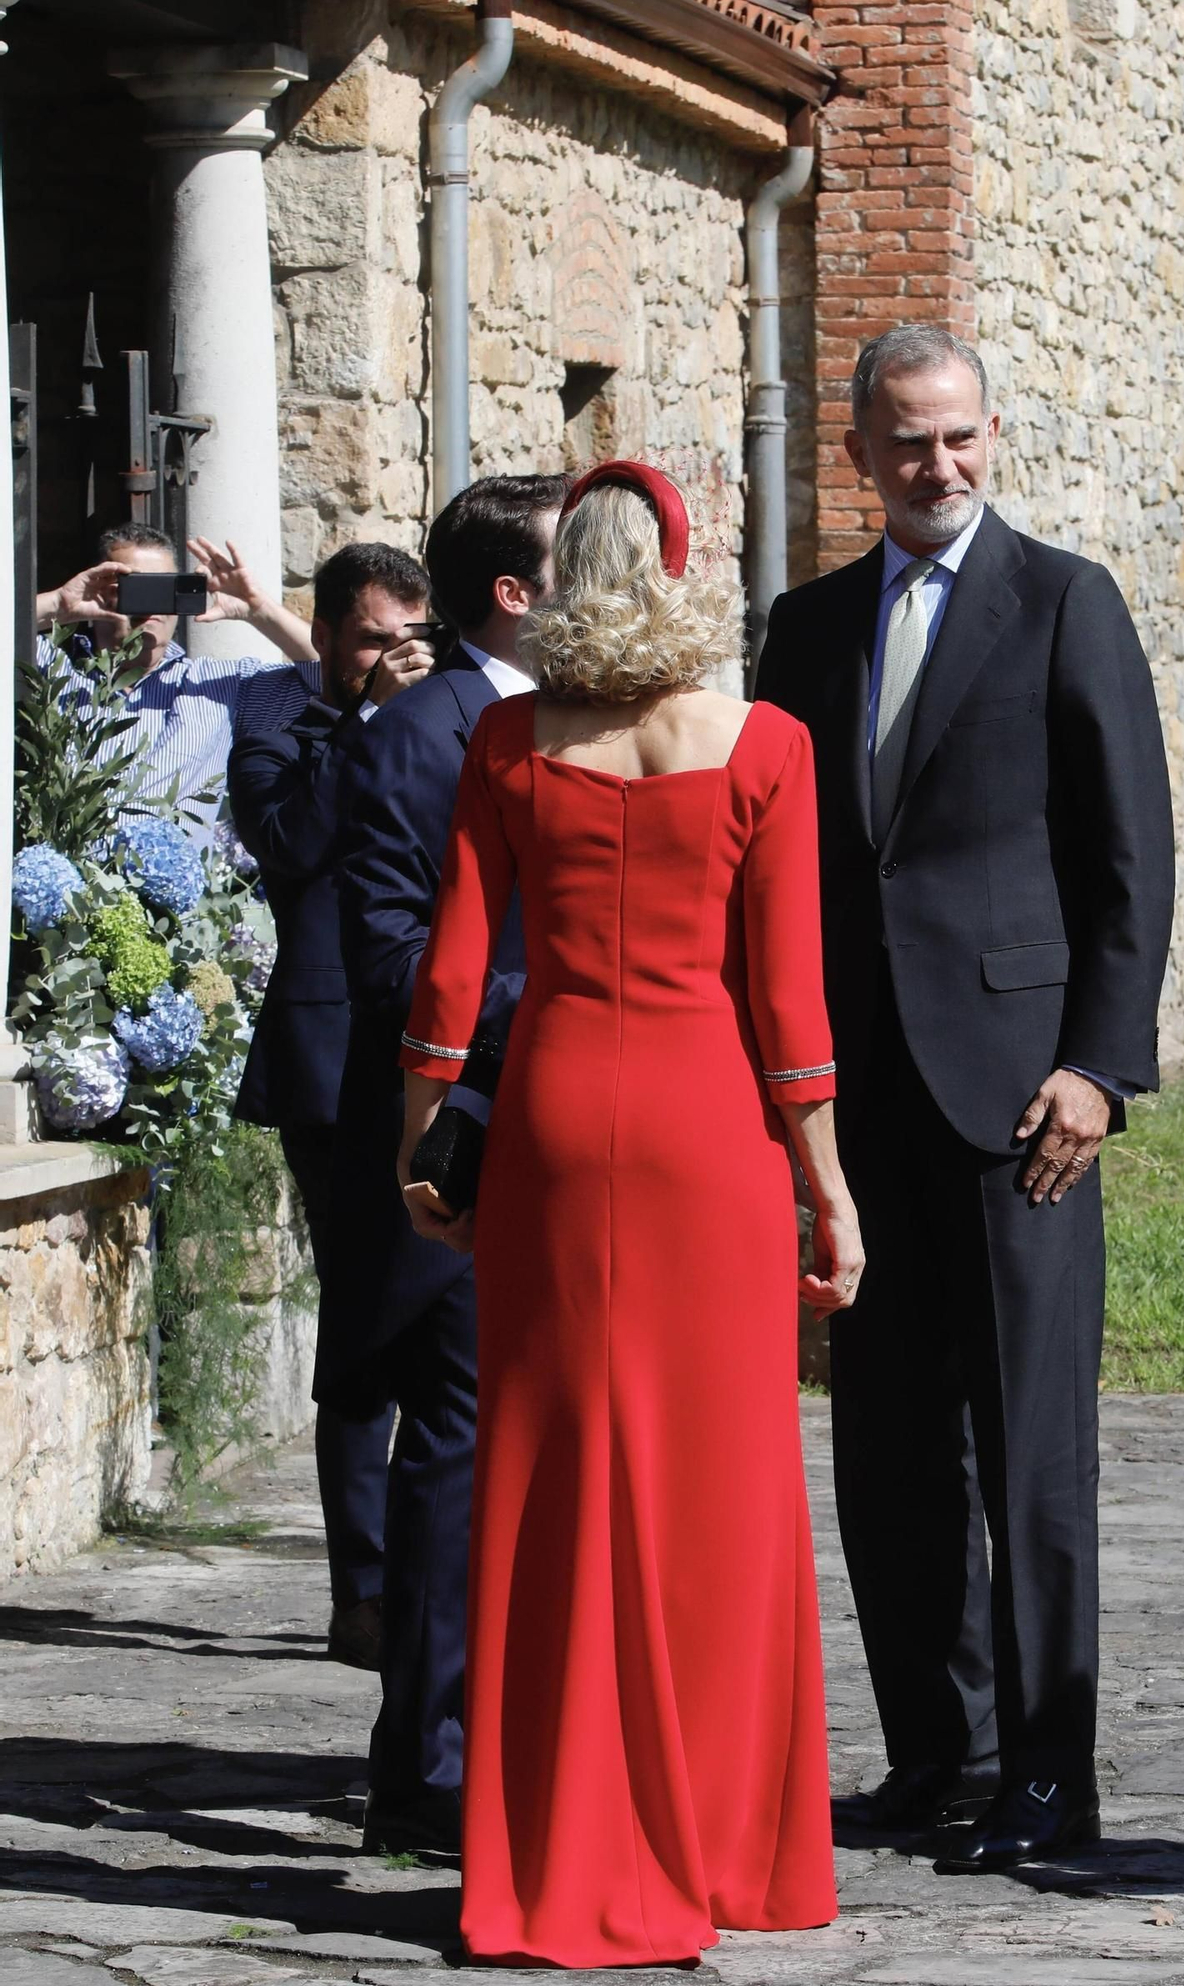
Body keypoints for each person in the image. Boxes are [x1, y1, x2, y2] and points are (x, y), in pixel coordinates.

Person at [395, 460, 861, 1968]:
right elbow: (789, 1011)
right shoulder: (763, 744)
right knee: (717, 1488)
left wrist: (422, 1148)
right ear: (672, 566)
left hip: (548, 1125)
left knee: (548, 1475)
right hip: (705, 1130)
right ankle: (719, 1840)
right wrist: (828, 1190)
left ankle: (557, 1846)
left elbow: (453, 975)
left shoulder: (507, 742)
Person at [755, 324, 1176, 1872]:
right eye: (907, 444)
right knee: (883, 1447)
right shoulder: (801, 629)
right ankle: (938, 1749)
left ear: (990, 437)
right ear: (857, 454)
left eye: (959, 439)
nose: (937, 467)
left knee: (1029, 1452)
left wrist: (1100, 1070)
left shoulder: (1061, 603)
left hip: (1021, 1108)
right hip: (854, 1103)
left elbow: (1129, 855)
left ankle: (1046, 1774)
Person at [333, 474, 568, 1858]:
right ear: (511, 591)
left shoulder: (570, 726)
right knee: (458, 1447)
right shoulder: (423, 735)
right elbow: (385, 953)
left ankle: (502, 1738)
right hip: (469, 1140)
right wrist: (548, 1013)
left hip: (572, 1137)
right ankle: (422, 1766)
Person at [228, 543, 437, 1671]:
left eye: (411, 635)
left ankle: (439, 1565)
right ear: (326, 638)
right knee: (361, 1320)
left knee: (446, 1326)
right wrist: (371, 723)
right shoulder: (282, 722)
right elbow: (291, 842)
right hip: (333, 1060)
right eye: (370, 639)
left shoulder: (461, 720)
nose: (393, 657)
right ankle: (360, 1587)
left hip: (443, 1052)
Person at [34, 523, 319, 838]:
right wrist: (58, 605)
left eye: (166, 587)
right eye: (135, 587)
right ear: (102, 589)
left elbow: (336, 676)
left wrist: (259, 609)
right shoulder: (53, 671)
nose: (152, 604)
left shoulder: (220, 686)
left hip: (175, 884)